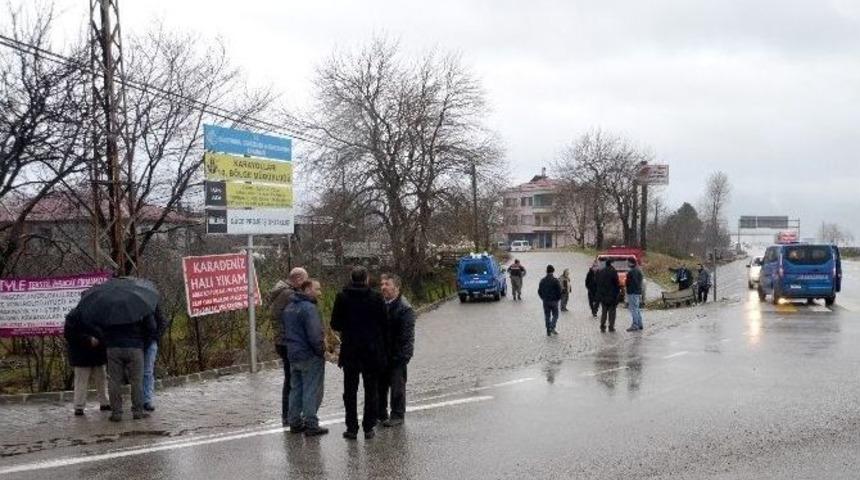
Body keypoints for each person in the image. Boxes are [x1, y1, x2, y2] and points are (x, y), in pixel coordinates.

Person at [331, 266, 387, 440]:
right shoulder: (376, 297)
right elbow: (384, 323)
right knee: (371, 390)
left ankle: (351, 427)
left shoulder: (342, 297)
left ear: (351, 278)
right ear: (367, 278)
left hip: (350, 350)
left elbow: (335, 324)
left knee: (350, 391)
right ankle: (368, 427)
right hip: (371, 350)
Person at [284, 279, 329, 437]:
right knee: (311, 390)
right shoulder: (309, 308)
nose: (320, 293)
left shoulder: (289, 307)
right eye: (317, 289)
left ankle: (295, 422)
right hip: (309, 354)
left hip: (293, 354)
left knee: (296, 389)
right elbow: (315, 335)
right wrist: (321, 351)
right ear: (308, 289)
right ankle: (311, 424)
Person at [268, 267, 309, 426]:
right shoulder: (289, 294)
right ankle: (290, 415)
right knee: (293, 380)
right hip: (287, 341)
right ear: (298, 279)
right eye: (305, 279)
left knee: (291, 378)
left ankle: (290, 415)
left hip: (282, 341)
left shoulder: (282, 292)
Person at [102, 308, 157, 422]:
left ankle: (116, 413)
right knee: (137, 381)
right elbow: (151, 327)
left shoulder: (109, 305)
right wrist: (143, 343)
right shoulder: (139, 304)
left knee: (114, 381)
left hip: (114, 347)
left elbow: (101, 327)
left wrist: (108, 341)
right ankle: (137, 411)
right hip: (135, 347)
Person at [378, 273, 416, 427]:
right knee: (380, 386)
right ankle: (380, 413)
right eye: (382, 284)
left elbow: (407, 336)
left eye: (387, 284)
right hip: (381, 354)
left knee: (397, 386)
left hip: (396, 354)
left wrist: (403, 355)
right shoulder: (380, 304)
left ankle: (397, 414)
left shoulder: (404, 308)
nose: (383, 287)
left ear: (397, 288)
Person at [64, 307, 110, 416]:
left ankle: (104, 403)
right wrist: (88, 339)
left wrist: (101, 340)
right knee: (81, 381)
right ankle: (79, 406)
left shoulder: (100, 313)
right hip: (82, 355)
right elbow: (69, 334)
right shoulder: (74, 315)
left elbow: (106, 331)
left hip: (97, 353)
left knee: (101, 379)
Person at [142, 305, 169, 412]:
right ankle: (140, 399)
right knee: (138, 373)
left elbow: (162, 321)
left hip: (150, 342)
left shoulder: (152, 303)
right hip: (137, 343)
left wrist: (156, 337)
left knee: (148, 372)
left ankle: (147, 399)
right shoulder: (132, 305)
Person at [596, 259, 621, 333]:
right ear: (611, 264)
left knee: (604, 312)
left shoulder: (601, 272)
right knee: (612, 313)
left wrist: (599, 295)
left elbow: (598, 284)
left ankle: (602, 326)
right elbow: (617, 284)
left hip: (603, 296)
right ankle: (611, 327)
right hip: (612, 296)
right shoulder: (613, 272)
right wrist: (617, 293)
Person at [537, 265, 563, 336]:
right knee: (555, 315)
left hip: (545, 301)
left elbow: (539, 291)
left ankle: (548, 331)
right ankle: (552, 326)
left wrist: (543, 298)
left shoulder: (542, 280)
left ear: (546, 271)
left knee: (547, 316)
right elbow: (559, 291)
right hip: (554, 301)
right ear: (553, 271)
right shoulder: (555, 280)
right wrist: (558, 298)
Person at [625, 259, 645, 332]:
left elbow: (628, 283)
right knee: (637, 309)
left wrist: (627, 285)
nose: (627, 264)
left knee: (633, 309)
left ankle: (635, 325)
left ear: (631, 263)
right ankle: (640, 324)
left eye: (628, 262)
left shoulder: (631, 272)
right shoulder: (639, 270)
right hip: (637, 292)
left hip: (632, 292)